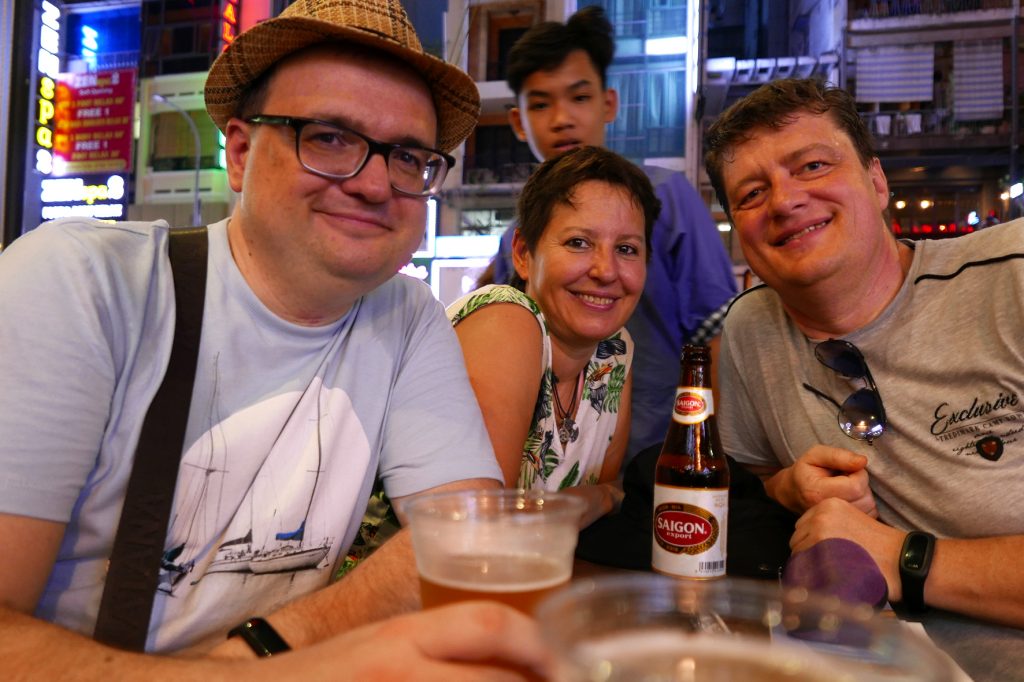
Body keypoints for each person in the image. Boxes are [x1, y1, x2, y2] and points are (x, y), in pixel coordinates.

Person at [0, 0, 551, 676]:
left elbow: (470, 541)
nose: (375, 183)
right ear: (239, 153)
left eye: (408, 157)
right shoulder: (84, 281)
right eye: (329, 137)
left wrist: (258, 656)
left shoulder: (405, 314)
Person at [705, 77, 1024, 627]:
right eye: (752, 194)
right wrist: (787, 487)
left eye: (812, 166)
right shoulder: (749, 329)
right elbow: (748, 483)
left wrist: (902, 559)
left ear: (876, 181)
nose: (784, 201)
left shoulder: (1011, 274)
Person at [491, 6, 738, 461]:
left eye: (579, 97)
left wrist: (704, 453)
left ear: (608, 104)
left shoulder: (665, 199)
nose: (562, 118)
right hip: (552, 465)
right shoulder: (516, 238)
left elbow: (716, 334)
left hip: (658, 452)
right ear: (518, 122)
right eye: (541, 104)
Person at [447, 146, 660, 527]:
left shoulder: (614, 352)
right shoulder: (505, 320)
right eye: (579, 242)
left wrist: (603, 496)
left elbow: (602, 500)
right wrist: (600, 498)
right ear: (523, 254)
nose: (606, 271)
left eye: (627, 249)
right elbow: (479, 526)